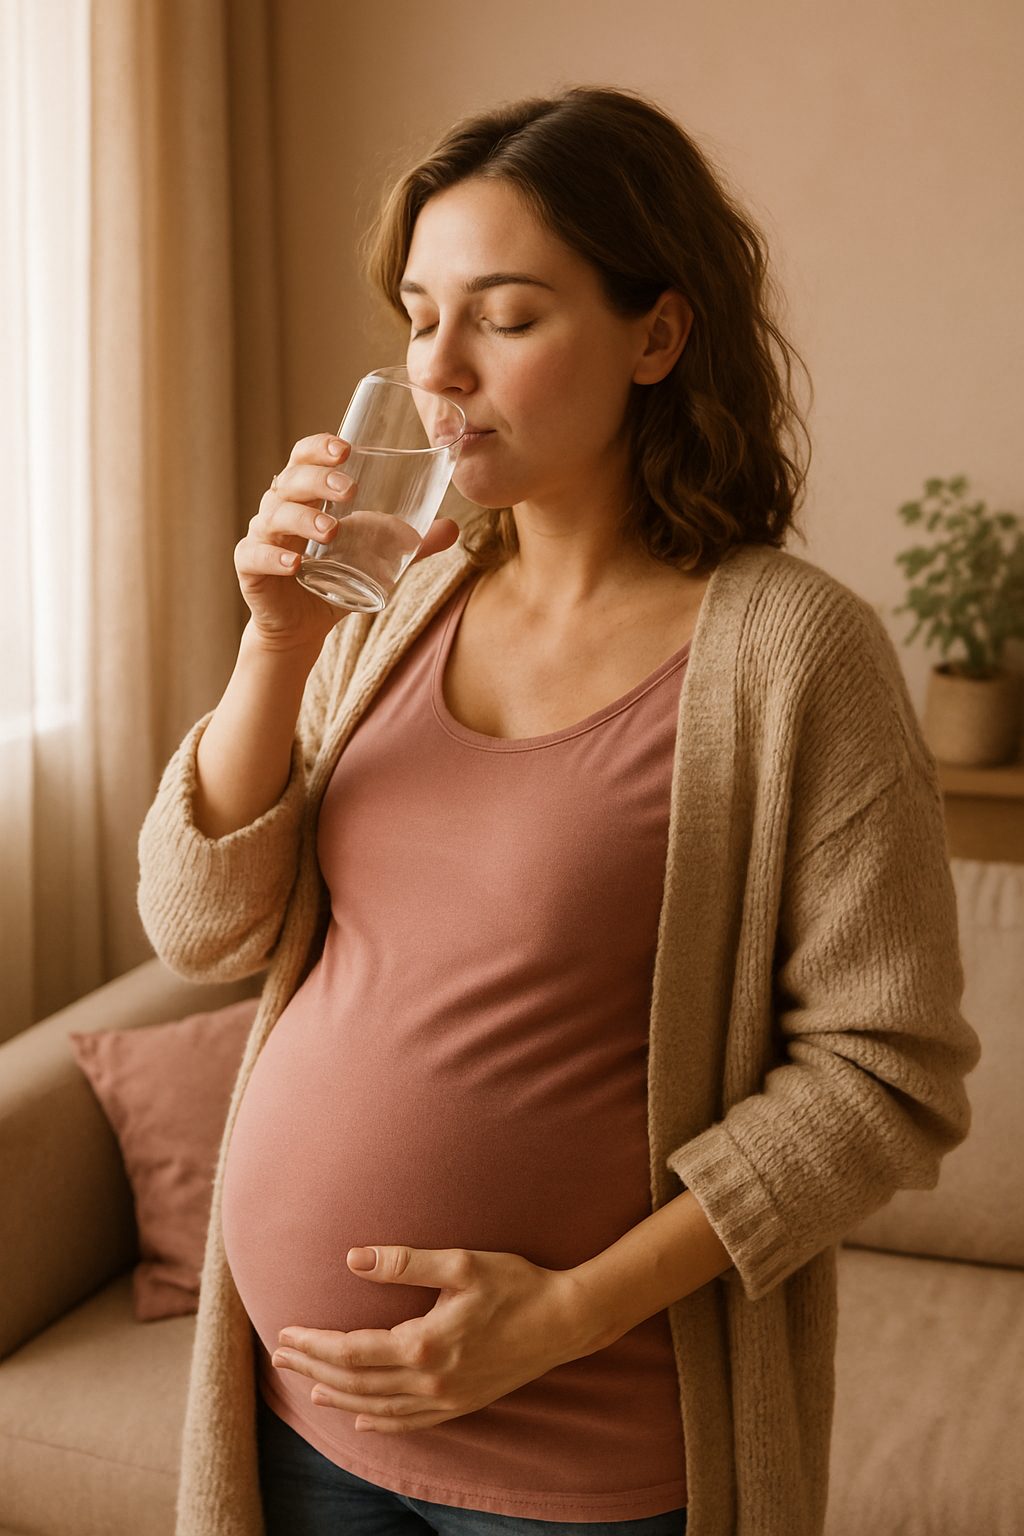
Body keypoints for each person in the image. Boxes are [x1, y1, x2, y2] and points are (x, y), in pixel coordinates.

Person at [136, 86, 981, 1536]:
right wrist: (272, 640)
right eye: (418, 316)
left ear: (657, 335)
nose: (440, 369)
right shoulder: (395, 592)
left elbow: (884, 1078)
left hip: (591, 1455)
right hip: (301, 1416)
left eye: (506, 317)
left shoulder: (796, 654)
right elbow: (201, 926)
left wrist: (568, 1313)